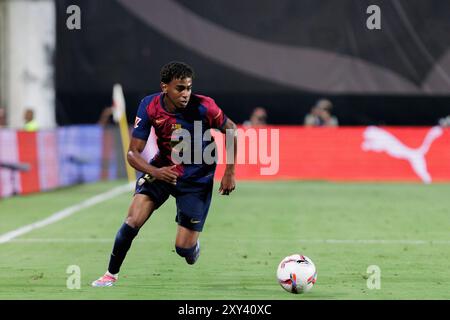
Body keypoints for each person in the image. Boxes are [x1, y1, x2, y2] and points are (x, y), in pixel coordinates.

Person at [92, 61, 237, 287]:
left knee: (183, 249)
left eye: (188, 88)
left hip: (196, 179)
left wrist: (229, 171)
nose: (186, 93)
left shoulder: (204, 106)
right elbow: (133, 153)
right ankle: (110, 274)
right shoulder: (149, 106)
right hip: (162, 169)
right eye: (180, 88)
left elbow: (231, 129)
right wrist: (156, 172)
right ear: (165, 87)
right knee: (132, 220)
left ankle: (191, 248)